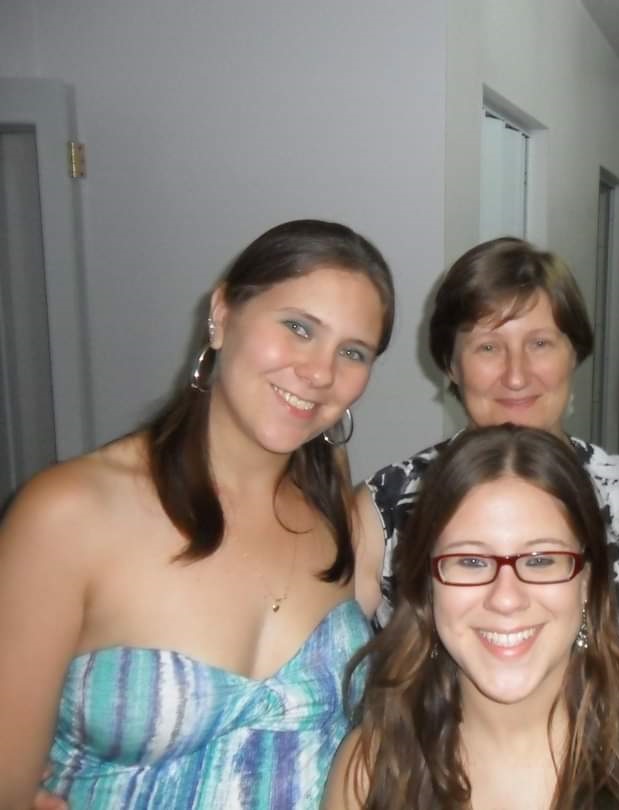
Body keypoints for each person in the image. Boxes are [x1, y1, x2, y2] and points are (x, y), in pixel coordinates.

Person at [0, 220, 394, 809]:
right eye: (298, 327)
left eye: (352, 352)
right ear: (221, 314)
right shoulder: (67, 514)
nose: (320, 372)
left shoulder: (333, 504)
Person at [324, 425, 619, 810]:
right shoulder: (371, 767)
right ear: (427, 584)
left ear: (586, 581)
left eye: (542, 559)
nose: (506, 598)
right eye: (470, 561)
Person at [355, 238, 619, 653]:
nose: (516, 376)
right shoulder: (384, 509)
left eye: (540, 343)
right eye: (488, 347)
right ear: (451, 365)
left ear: (574, 353)